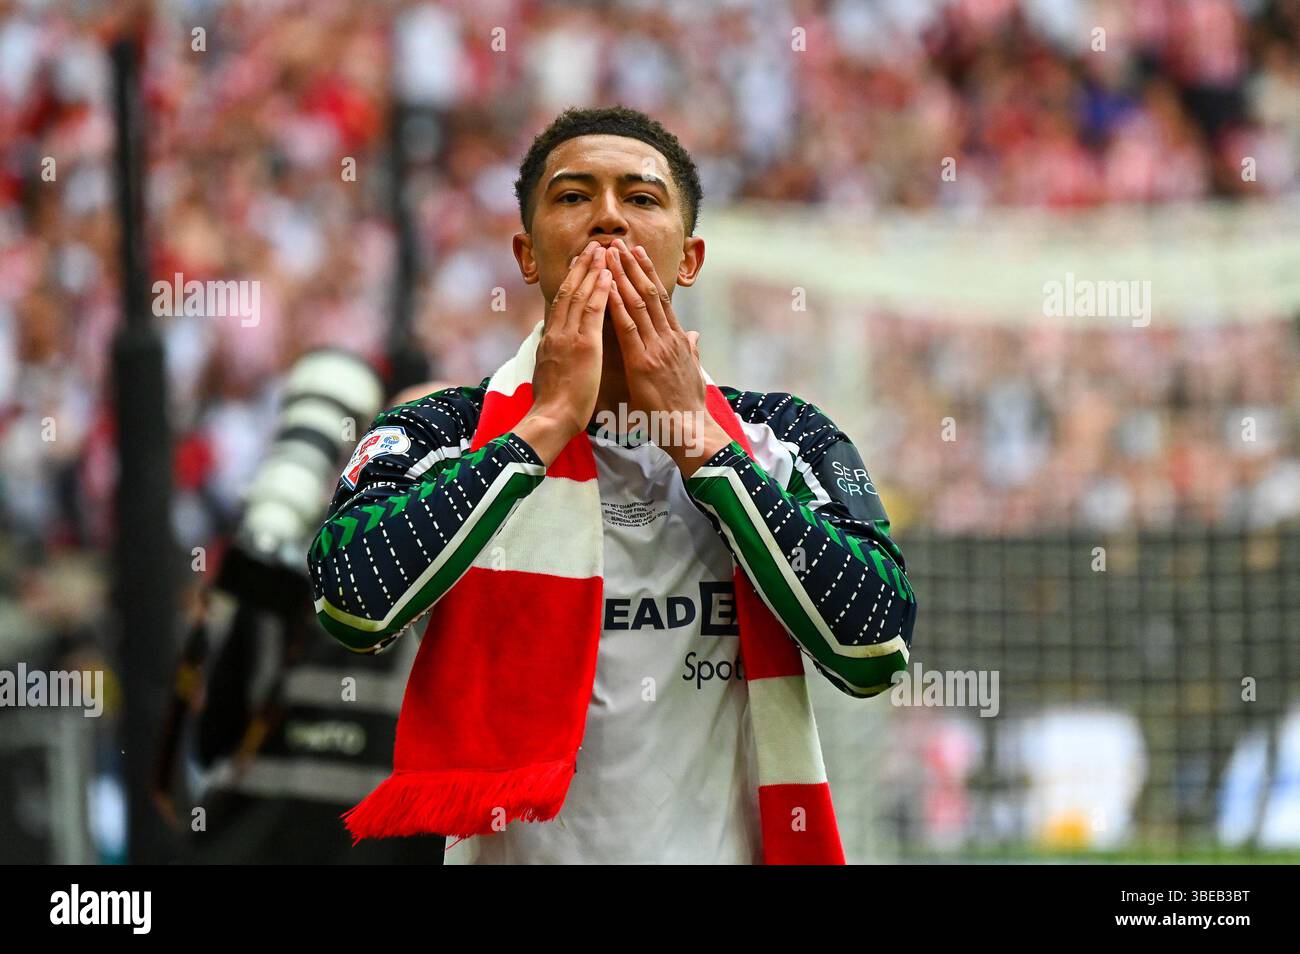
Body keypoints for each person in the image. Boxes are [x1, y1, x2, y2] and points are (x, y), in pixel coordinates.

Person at [307, 106, 917, 864]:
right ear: (527, 255)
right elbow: (350, 602)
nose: (607, 219)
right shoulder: (444, 431)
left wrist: (701, 448)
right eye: (572, 197)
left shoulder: (783, 435)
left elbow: (875, 642)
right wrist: (544, 426)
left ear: (689, 258)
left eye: (641, 197)